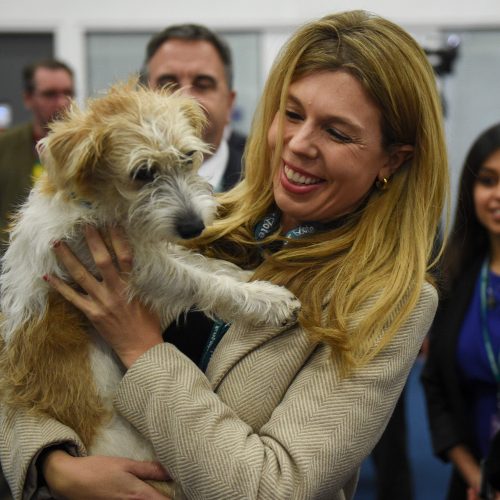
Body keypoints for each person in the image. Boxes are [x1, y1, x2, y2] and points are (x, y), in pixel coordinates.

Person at [0, 10, 448, 499]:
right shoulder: (202, 222)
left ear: (392, 158)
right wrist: (54, 462)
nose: (298, 144)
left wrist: (140, 348)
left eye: (337, 132)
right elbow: (21, 357)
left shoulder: (388, 301)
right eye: (292, 113)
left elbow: (274, 489)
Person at [422, 123, 500, 500]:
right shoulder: (456, 278)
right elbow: (435, 383)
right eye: (488, 180)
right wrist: (476, 479)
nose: (498, 194)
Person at [143, 23, 245, 192]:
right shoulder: (108, 187)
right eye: (168, 84)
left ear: (229, 104)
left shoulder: (267, 186)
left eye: (203, 84)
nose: (186, 99)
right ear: (142, 97)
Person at [0, 59, 74, 244]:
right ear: (28, 99)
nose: (62, 102)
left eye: (68, 93)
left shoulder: (88, 148)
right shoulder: (5, 147)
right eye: (50, 94)